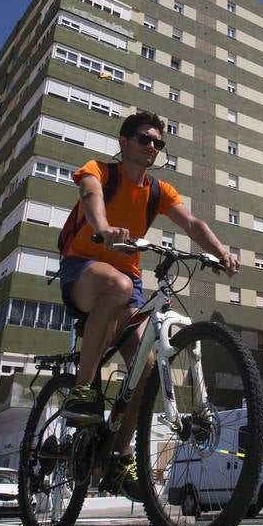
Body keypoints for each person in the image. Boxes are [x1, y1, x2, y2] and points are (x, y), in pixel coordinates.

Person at [57, 111, 239, 499]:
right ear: (124, 141)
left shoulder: (158, 190)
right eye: (144, 139)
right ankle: (83, 390)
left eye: (158, 142)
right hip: (83, 269)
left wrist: (221, 252)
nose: (152, 147)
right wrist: (103, 230)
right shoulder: (100, 171)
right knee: (118, 284)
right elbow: (90, 197)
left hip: (127, 285)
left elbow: (192, 224)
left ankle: (120, 456)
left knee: (150, 364)